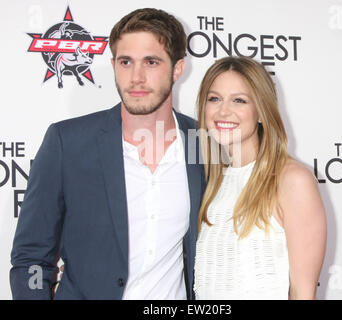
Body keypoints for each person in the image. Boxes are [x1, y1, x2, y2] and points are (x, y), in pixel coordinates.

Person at [10, 8, 205, 300]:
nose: (136, 77)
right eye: (126, 62)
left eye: (151, 62)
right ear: (114, 64)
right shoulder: (68, 142)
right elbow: (31, 257)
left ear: (178, 68)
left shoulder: (202, 143)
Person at [193, 56, 327, 300]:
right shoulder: (214, 184)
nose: (223, 111)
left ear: (262, 112)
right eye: (214, 99)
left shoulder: (291, 180)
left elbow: (303, 292)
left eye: (239, 100)